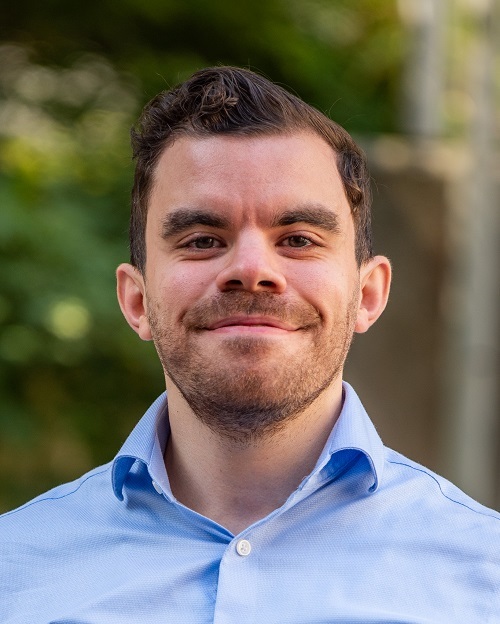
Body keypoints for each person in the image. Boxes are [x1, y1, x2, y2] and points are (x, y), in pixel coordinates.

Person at [1, 66, 498, 623]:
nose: (252, 269)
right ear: (137, 300)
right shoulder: (14, 574)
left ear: (368, 294)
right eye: (203, 239)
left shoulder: (483, 577)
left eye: (298, 239)